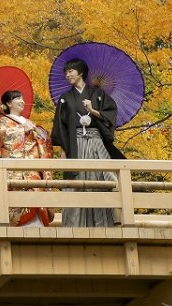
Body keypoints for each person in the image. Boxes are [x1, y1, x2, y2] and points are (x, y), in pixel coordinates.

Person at [51, 58, 125, 227]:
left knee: (102, 178)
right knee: (76, 181)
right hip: (74, 143)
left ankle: (106, 223)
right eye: (66, 72)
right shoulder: (65, 98)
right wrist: (63, 151)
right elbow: (60, 126)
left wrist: (92, 110)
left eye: (71, 71)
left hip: (96, 141)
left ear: (81, 72)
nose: (67, 75)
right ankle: (74, 225)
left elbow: (110, 116)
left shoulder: (98, 94)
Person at [0, 89, 53, 227]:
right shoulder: (4, 120)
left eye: (22, 98)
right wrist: (23, 130)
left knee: (37, 196)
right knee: (18, 200)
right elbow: (5, 138)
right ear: (9, 103)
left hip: (33, 168)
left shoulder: (28, 121)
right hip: (16, 171)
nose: (22, 101)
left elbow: (43, 141)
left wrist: (38, 131)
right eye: (17, 99)